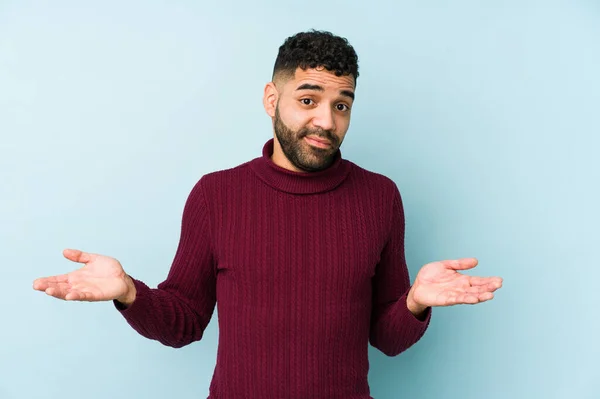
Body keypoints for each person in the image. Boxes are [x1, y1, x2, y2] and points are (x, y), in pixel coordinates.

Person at [33, 30, 503, 398]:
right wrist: (130, 293)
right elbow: (184, 322)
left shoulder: (379, 197)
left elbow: (387, 337)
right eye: (308, 99)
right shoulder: (216, 195)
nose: (326, 120)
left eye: (341, 105)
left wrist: (415, 303)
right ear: (271, 100)